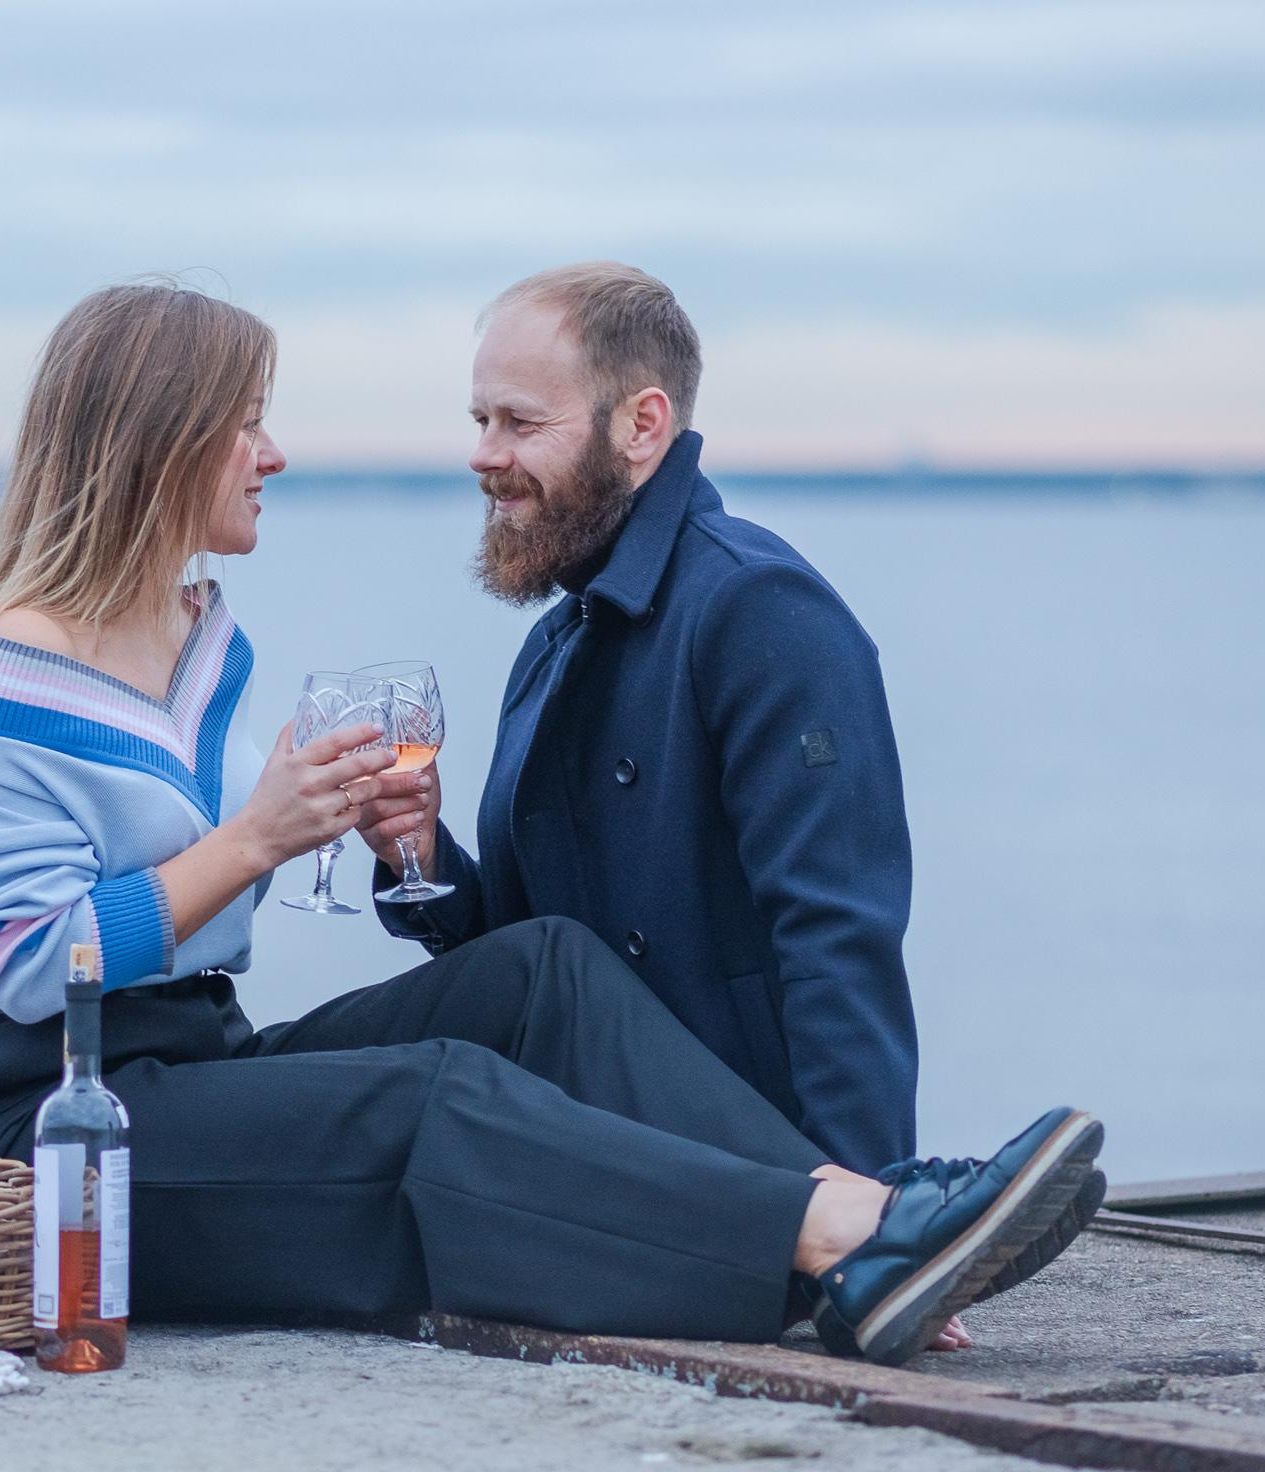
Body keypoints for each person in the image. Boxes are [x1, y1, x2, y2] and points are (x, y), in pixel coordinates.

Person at [0, 280, 1104, 1367]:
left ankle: (861, 1211)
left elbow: (831, 930)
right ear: (156, 442)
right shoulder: (9, 668)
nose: (272, 452)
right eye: (246, 421)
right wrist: (254, 839)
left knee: (540, 975)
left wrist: (400, 854)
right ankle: (843, 1235)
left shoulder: (199, 632)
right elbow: (32, 967)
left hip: (190, 1060)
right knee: (429, 1093)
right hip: (51, 1125)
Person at [350, 263, 915, 1173]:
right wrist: (420, 856)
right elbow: (533, 961)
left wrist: (873, 1227)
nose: (484, 455)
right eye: (480, 420)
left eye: (521, 422)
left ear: (643, 425)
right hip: (589, 1161)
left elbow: (839, 942)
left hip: (749, 1180)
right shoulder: (556, 640)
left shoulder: (761, 609)